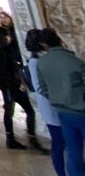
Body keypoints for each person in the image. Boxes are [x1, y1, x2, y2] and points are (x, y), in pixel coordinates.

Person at [34, 27, 85, 176]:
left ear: (44, 44)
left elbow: (42, 88)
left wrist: (57, 98)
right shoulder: (75, 61)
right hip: (81, 110)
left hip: (63, 111)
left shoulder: (42, 62)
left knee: (73, 151)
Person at [0, 24, 44, 150]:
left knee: (12, 110)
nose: (8, 37)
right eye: (5, 35)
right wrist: (17, 82)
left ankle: (15, 138)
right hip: (9, 84)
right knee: (24, 110)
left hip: (9, 83)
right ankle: (26, 138)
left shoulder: (2, 49)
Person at [26, 28, 66, 175]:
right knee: (59, 140)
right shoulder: (36, 62)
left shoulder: (40, 60)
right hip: (52, 104)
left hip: (54, 103)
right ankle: (61, 171)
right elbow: (40, 87)